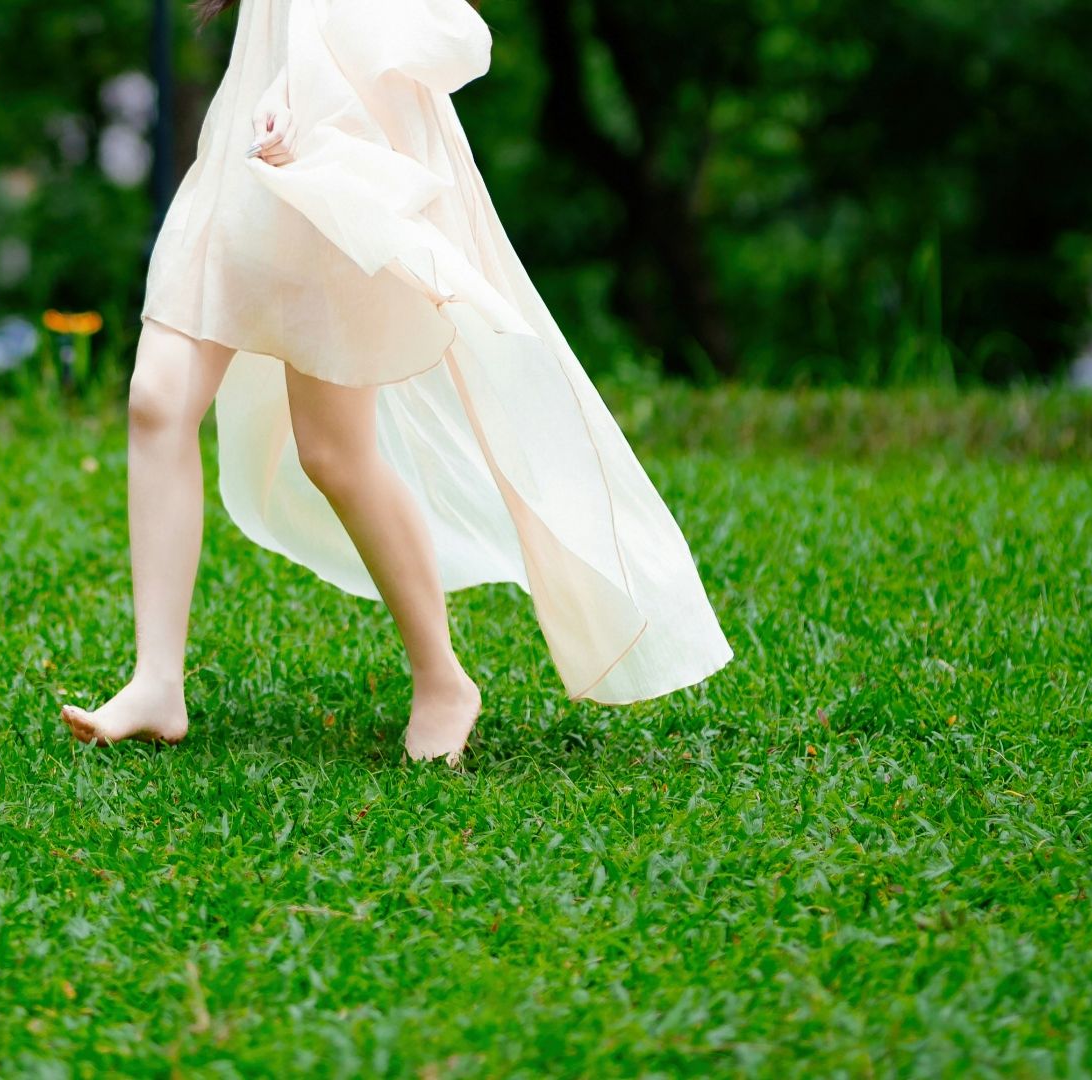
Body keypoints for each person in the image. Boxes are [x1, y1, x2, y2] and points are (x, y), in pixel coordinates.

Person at [58, 0, 734, 764]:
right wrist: (278, 88)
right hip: (249, 148)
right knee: (157, 398)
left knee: (333, 454)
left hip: (347, 159)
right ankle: (157, 683)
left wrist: (302, 87)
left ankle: (443, 678)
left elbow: (442, 24)